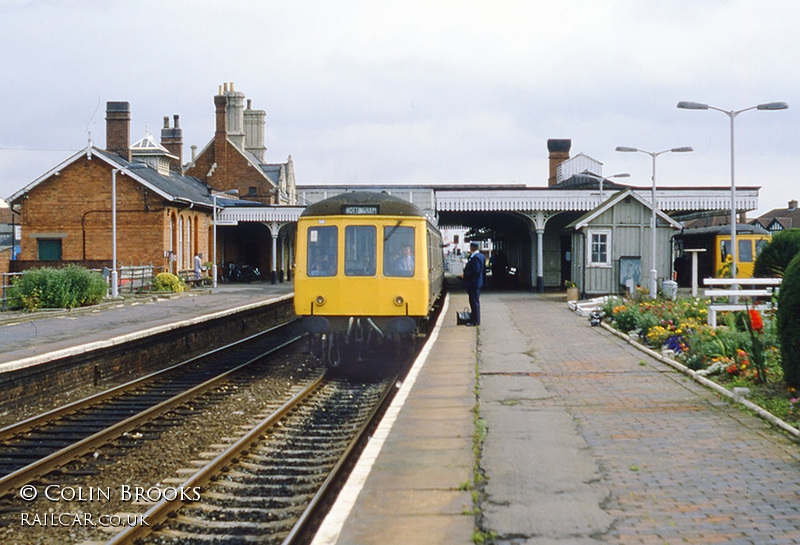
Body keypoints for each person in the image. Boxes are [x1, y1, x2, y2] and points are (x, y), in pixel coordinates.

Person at [462, 241, 485, 325]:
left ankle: (475, 321)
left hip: (473, 283)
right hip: (477, 283)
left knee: (474, 302)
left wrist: (465, 275)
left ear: (471, 248)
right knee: (475, 302)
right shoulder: (481, 256)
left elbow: (476, 270)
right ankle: (475, 320)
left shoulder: (475, 258)